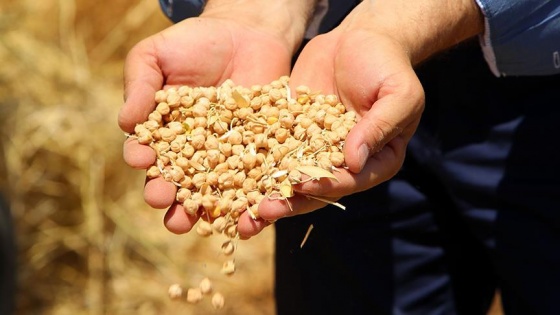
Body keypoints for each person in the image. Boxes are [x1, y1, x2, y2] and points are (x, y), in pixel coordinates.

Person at [119, 0, 560, 314]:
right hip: (339, 77)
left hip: (539, 89)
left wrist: (406, 15)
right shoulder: (306, 126)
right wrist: (253, 8)